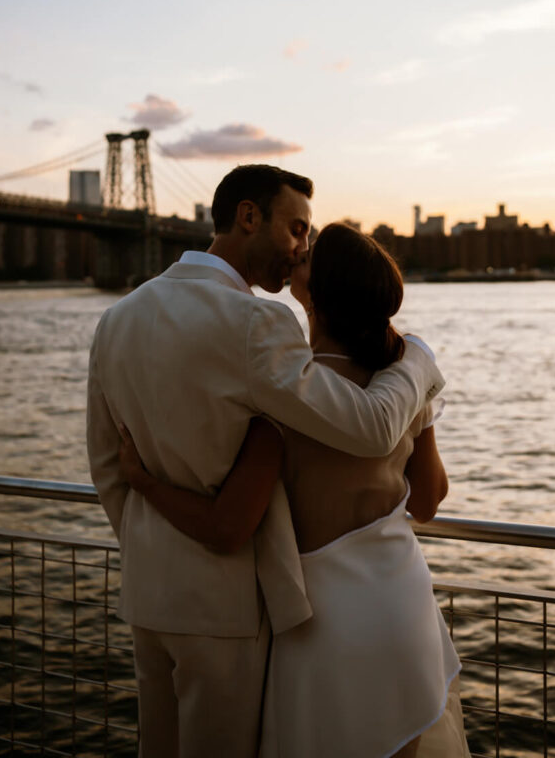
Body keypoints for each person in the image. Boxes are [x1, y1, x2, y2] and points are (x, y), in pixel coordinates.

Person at [87, 165, 445, 758]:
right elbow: (368, 426)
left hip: (148, 597)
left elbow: (106, 467)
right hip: (226, 609)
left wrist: (150, 547)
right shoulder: (256, 322)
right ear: (249, 217)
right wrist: (418, 363)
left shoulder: (116, 318)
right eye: (296, 229)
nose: (301, 248)